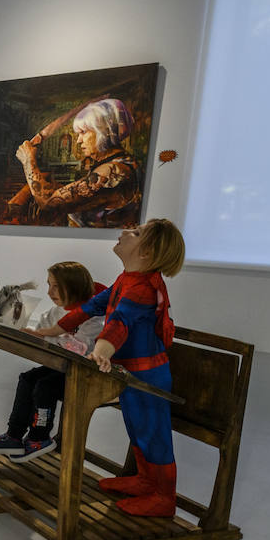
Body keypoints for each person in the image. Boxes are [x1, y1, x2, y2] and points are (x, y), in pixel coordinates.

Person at [30, 218, 186, 517]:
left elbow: (119, 323)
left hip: (147, 375)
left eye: (137, 233)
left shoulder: (142, 289)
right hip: (129, 372)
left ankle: (164, 497)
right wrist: (45, 332)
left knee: (153, 434)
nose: (127, 231)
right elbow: (87, 309)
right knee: (137, 429)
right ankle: (144, 480)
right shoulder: (126, 280)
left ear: (147, 252)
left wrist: (101, 351)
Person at [0, 261, 107, 462]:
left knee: (44, 387)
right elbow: (47, 338)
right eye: (49, 285)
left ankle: (40, 437)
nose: (49, 292)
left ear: (74, 286)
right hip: (60, 368)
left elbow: (80, 349)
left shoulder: (93, 318)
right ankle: (14, 435)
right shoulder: (54, 313)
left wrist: (47, 337)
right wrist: (33, 336)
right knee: (28, 379)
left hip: (85, 375)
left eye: (56, 286)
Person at [16, 98, 142, 228]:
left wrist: (28, 161)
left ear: (103, 132)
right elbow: (79, 196)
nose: (78, 141)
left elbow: (48, 205)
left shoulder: (113, 171)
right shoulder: (120, 162)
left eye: (83, 132)